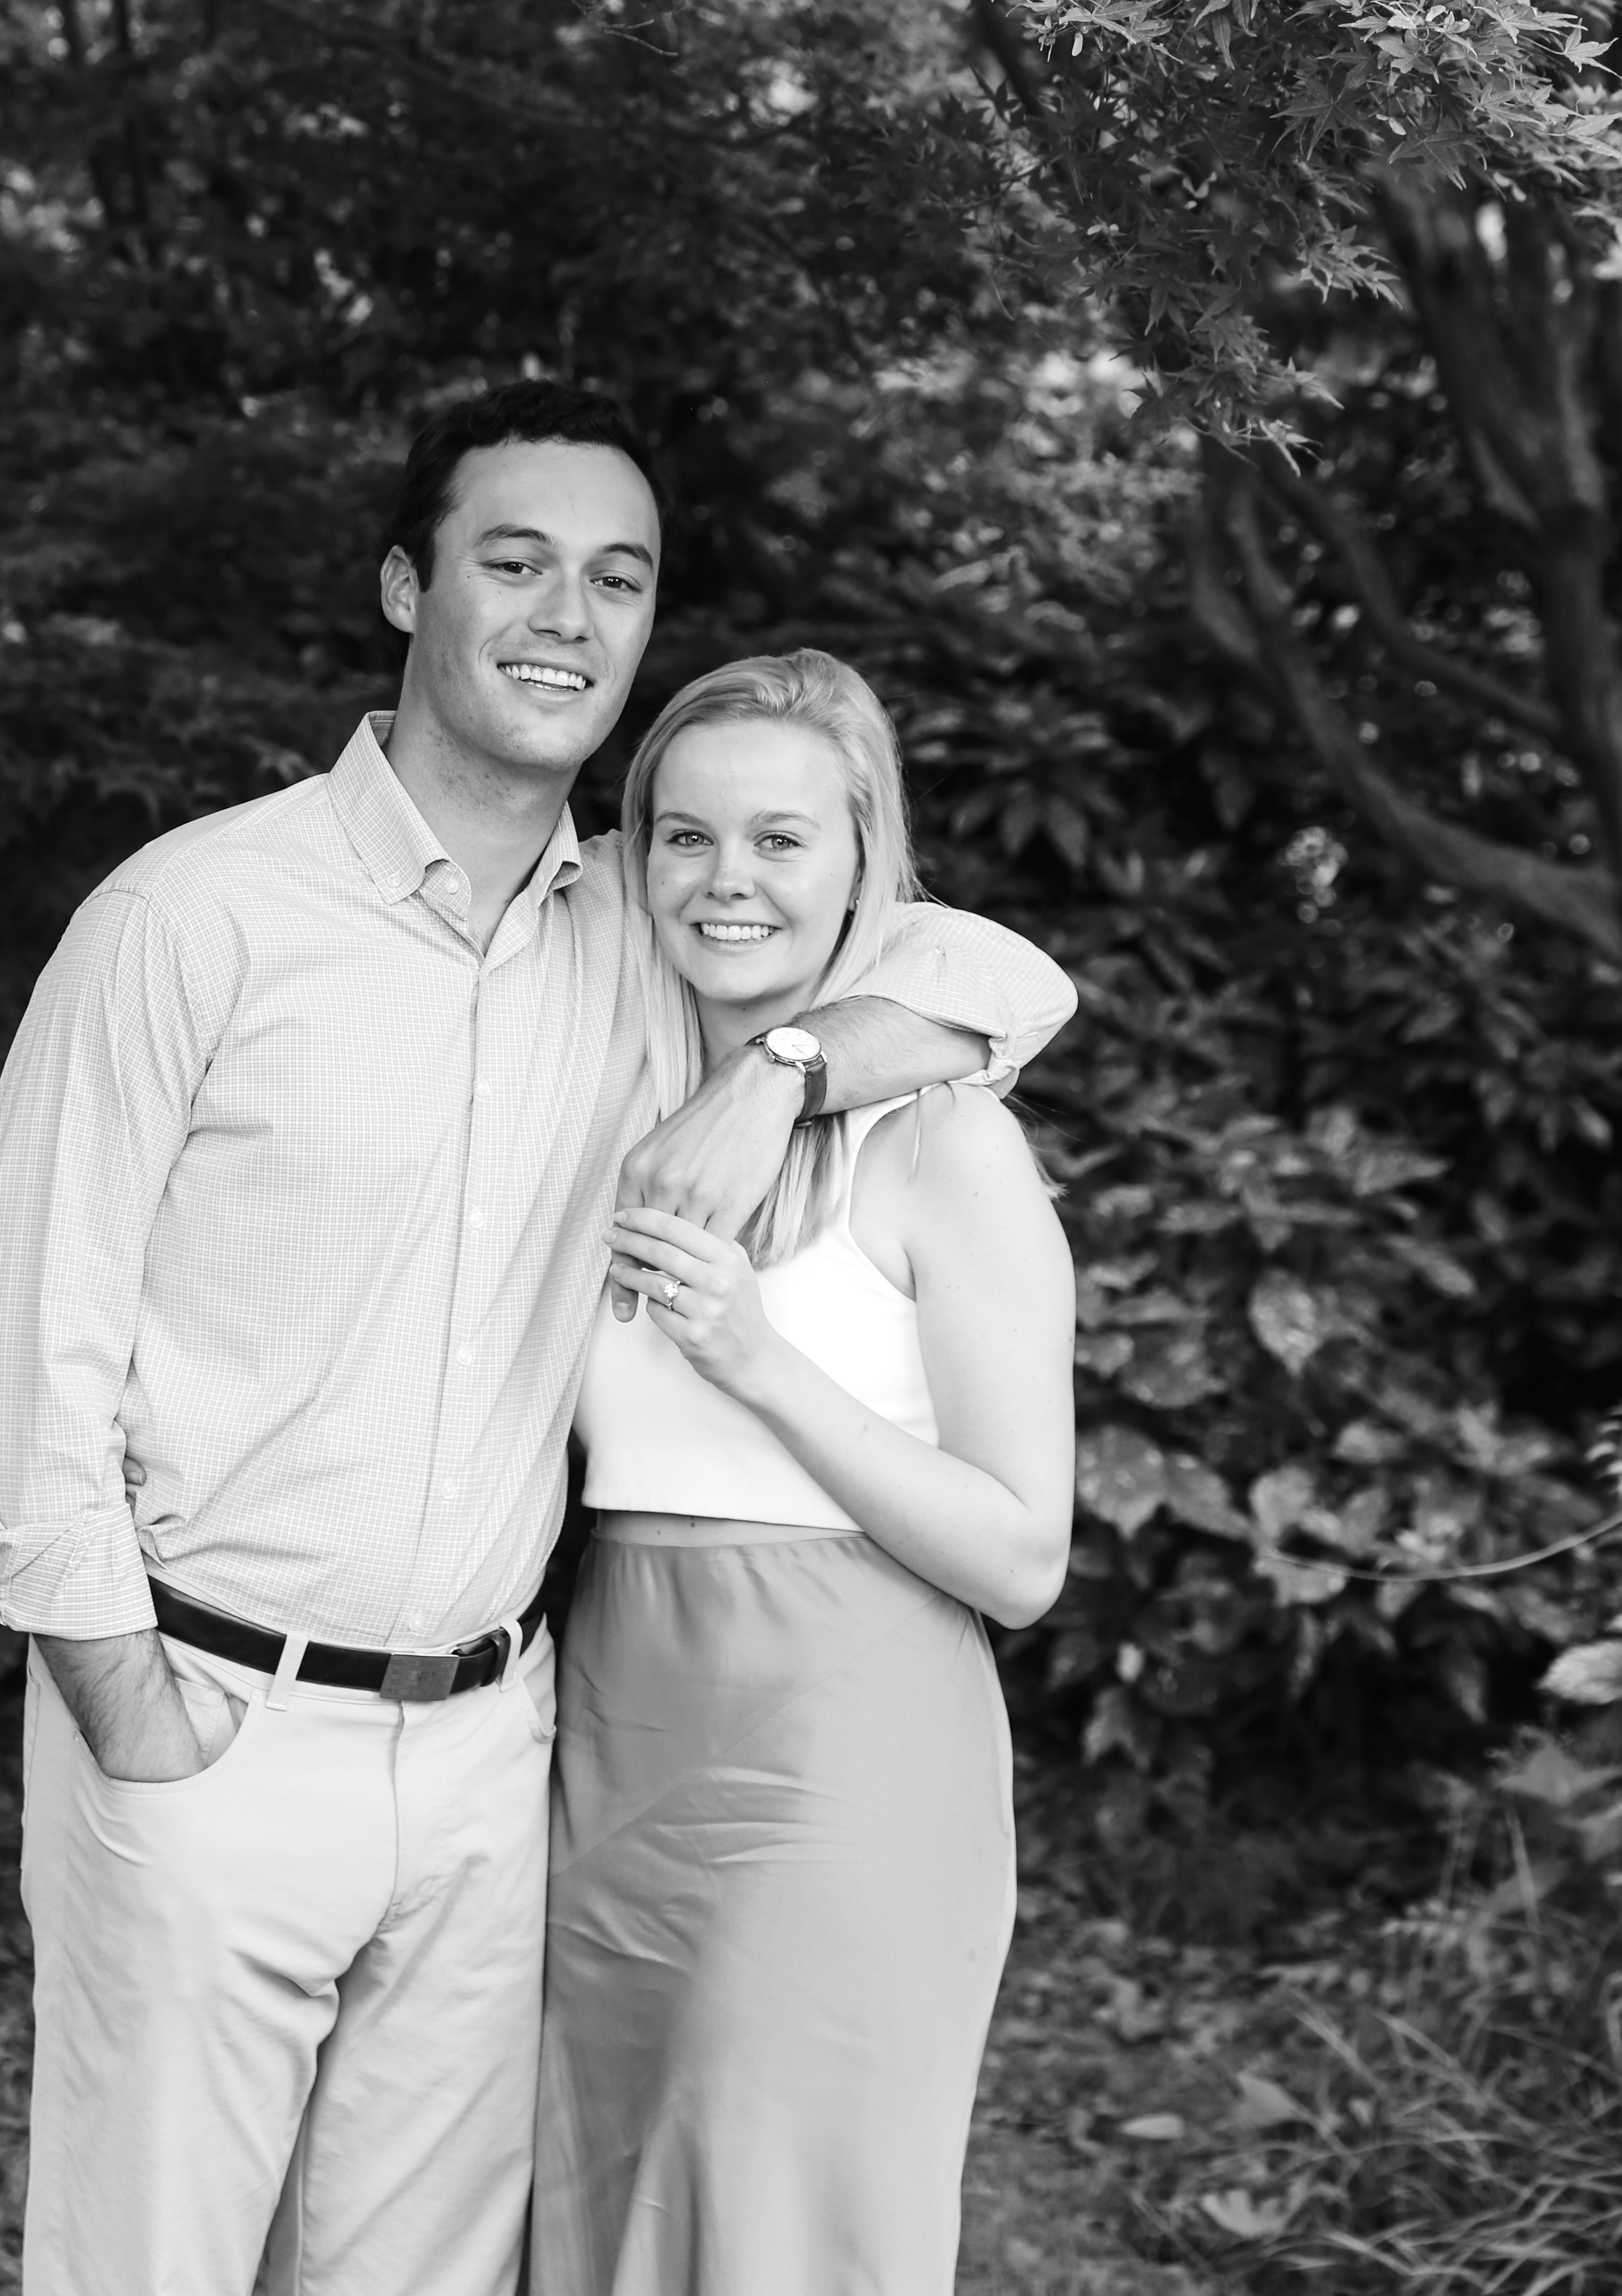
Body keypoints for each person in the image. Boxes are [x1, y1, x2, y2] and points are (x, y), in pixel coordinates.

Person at [0, 383, 1076, 2296]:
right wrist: (127, 1708)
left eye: (617, 578)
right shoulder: (194, 917)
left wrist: (788, 1071)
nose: (568, 615)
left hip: (499, 1760)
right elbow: (24, 1339)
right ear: (408, 587)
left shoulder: (625, 921)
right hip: (213, 1720)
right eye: (518, 561)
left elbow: (1004, 978)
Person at [530, 648, 1077, 2296]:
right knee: (594, 2210)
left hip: (842, 1749)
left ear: (861, 867)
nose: (729, 881)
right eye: (685, 837)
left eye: (782, 840)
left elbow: (1023, 1560)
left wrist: (760, 1359)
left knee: (776, 2228)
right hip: (608, 1718)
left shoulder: (946, 1144)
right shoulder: (603, 1080)